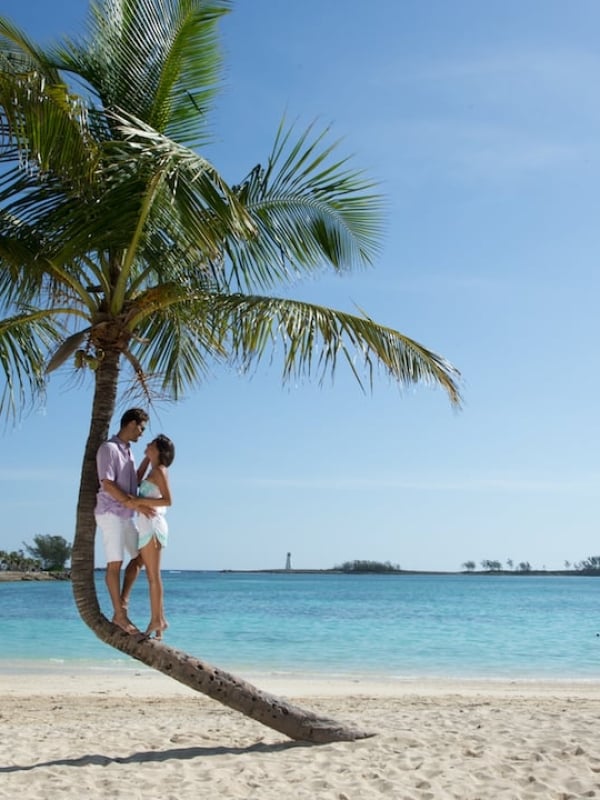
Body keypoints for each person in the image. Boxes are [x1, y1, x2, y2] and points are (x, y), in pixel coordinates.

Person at [95, 408, 155, 634]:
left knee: (140, 558)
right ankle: (120, 616)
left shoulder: (128, 451)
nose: (142, 433)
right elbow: (107, 483)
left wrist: (147, 461)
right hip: (110, 513)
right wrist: (132, 503)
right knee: (115, 564)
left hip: (125, 515)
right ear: (131, 423)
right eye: (141, 427)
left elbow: (133, 482)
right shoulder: (109, 449)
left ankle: (123, 603)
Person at [133, 434, 175, 639]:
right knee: (151, 576)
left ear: (158, 450)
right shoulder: (153, 468)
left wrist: (143, 504)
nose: (146, 445)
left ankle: (156, 620)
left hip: (153, 526)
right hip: (145, 526)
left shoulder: (159, 471)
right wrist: (146, 457)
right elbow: (135, 480)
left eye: (150, 444)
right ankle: (160, 624)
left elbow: (168, 500)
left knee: (153, 577)